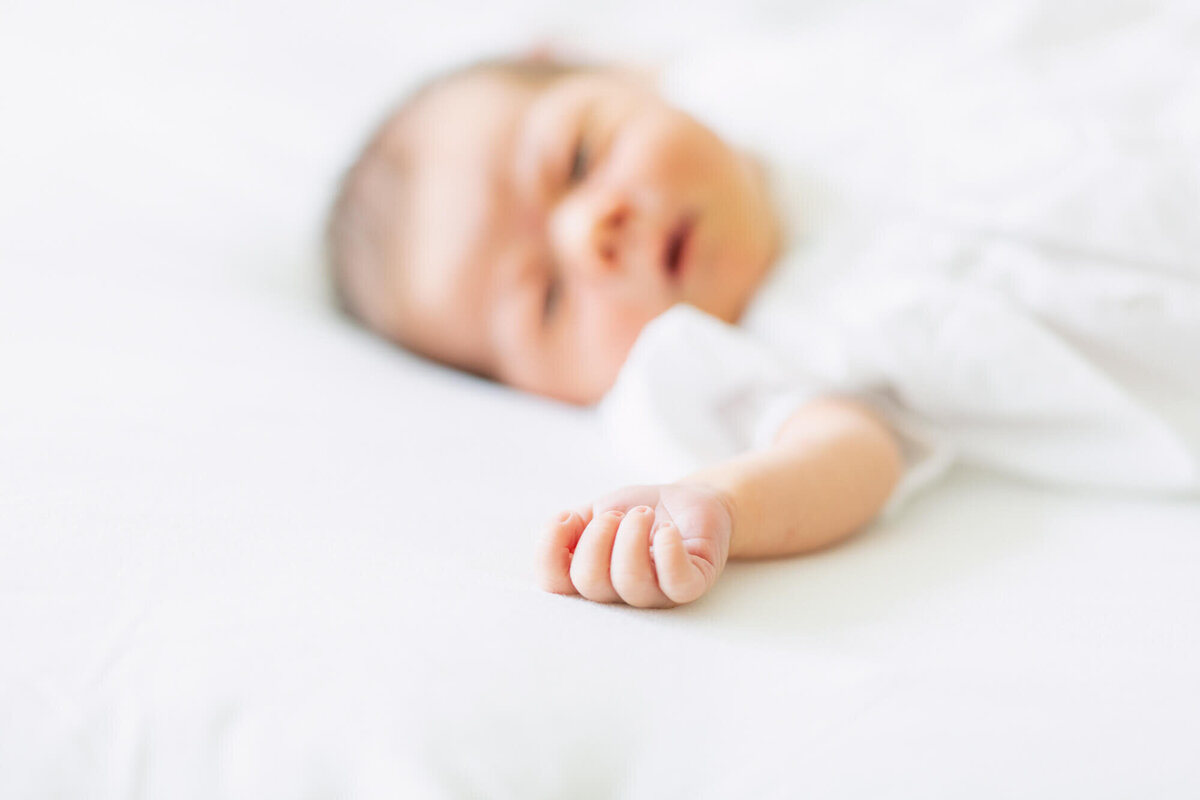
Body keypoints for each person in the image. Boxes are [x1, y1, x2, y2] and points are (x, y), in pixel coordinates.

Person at [325, 42, 1200, 608]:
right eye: (549, 300)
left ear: (622, 75)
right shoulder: (715, 355)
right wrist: (719, 502)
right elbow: (846, 456)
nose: (592, 232)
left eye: (580, 159)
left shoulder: (755, 64)